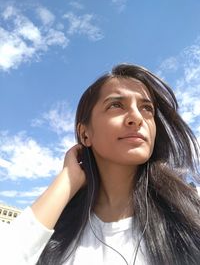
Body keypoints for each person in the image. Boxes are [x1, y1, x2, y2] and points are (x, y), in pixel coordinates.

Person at [1, 63, 200, 265]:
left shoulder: (192, 210)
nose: (137, 117)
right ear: (85, 134)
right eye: (116, 105)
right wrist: (67, 180)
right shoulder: (56, 228)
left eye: (146, 108)